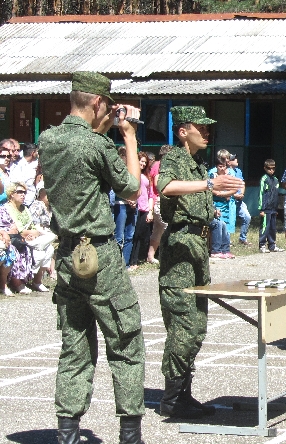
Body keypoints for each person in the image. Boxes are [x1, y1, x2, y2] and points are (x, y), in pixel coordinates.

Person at [38, 71, 146, 444]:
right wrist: (128, 135)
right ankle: (130, 433)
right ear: (98, 102)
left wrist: (104, 127)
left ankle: (67, 430)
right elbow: (131, 187)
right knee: (125, 339)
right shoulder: (97, 146)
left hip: (68, 253)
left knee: (75, 343)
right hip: (98, 252)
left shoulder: (47, 139)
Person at [157, 106, 243, 419]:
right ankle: (172, 398)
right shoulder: (175, 157)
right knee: (183, 324)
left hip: (196, 244)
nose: (207, 133)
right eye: (200, 128)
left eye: (208, 128)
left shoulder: (197, 162)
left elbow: (198, 199)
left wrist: (221, 197)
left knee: (197, 324)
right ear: (183, 131)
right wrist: (208, 185)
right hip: (180, 247)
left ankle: (183, 392)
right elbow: (164, 186)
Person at [146, 144, 172, 264]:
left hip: (158, 201)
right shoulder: (159, 165)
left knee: (157, 230)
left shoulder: (159, 165)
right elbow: (157, 184)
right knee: (168, 228)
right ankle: (168, 257)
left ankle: (150, 256)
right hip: (158, 201)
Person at [129, 152, 154, 270]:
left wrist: (150, 211)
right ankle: (130, 260)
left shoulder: (146, 176)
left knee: (140, 235)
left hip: (144, 208)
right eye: (141, 161)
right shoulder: (132, 173)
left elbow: (150, 194)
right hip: (134, 207)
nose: (143, 164)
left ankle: (136, 260)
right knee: (132, 235)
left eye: (145, 162)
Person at [258, 159, 282, 253]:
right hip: (266, 208)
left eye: (273, 168)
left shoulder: (276, 180)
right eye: (269, 168)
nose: (271, 170)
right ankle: (262, 245)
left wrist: (276, 208)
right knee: (265, 227)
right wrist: (261, 209)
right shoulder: (264, 179)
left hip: (273, 208)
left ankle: (272, 245)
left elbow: (276, 195)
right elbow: (261, 194)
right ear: (265, 168)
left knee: (272, 227)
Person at [228, 153, 251, 243]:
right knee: (229, 219)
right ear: (228, 162)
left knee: (247, 217)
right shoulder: (226, 172)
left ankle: (242, 238)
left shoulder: (238, 171)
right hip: (230, 200)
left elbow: (242, 183)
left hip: (239, 200)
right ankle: (227, 240)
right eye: (234, 159)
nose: (236, 160)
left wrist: (242, 193)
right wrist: (234, 195)